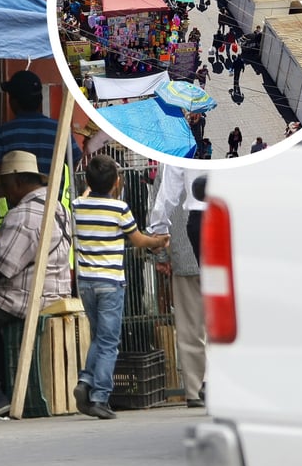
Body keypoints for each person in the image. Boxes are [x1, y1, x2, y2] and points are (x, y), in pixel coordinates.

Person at [0, 151, 72, 418]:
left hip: (27, 294)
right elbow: (30, 247)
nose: (4, 193)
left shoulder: (23, 213)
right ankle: (1, 389)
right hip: (53, 288)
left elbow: (1, 267)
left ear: (17, 181)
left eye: (5, 186)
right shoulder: (56, 207)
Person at [72, 155, 169, 419]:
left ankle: (86, 382)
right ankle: (100, 396)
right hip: (111, 283)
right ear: (116, 181)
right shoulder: (119, 208)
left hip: (86, 283)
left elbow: (90, 189)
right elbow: (137, 240)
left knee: (99, 337)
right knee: (109, 341)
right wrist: (158, 241)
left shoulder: (78, 205)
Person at [147, 164, 208, 408]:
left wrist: (161, 253)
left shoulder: (174, 155)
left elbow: (160, 203)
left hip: (184, 250)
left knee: (190, 326)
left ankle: (194, 389)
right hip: (224, 243)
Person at [0, 70, 80, 178]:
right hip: (56, 195)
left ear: (13, 102)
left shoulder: (1, 133)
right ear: (40, 99)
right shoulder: (60, 129)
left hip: (19, 195)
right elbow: (77, 165)